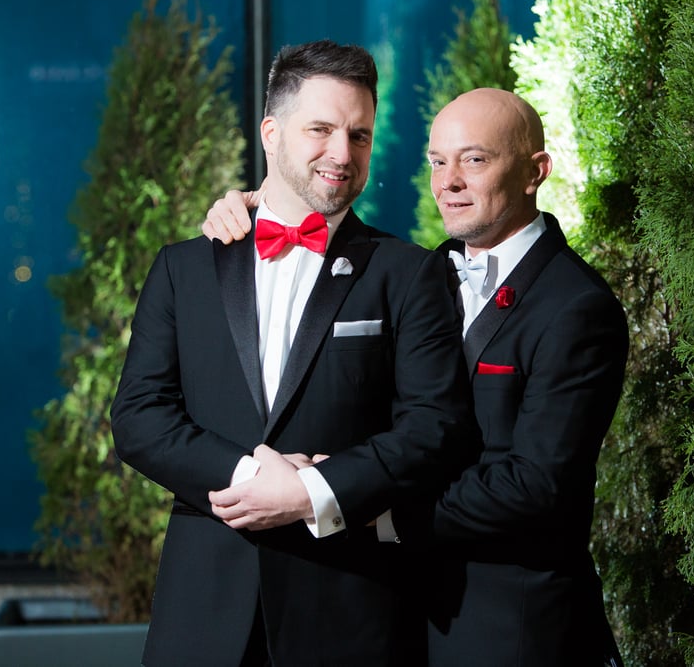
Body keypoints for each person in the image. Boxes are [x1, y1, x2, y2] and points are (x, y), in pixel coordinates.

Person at [202, 87, 629, 666]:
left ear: (536, 172)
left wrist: (355, 503)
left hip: (510, 627)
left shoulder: (577, 306)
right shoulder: (418, 271)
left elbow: (535, 488)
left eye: (474, 160)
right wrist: (256, 206)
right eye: (436, 161)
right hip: (392, 619)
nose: (448, 181)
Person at [110, 40, 476, 667]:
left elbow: (435, 428)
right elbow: (139, 418)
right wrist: (253, 479)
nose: (342, 153)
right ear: (271, 133)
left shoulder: (408, 272)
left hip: (349, 613)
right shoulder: (182, 269)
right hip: (202, 616)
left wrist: (312, 492)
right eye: (321, 129)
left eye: (359, 136)